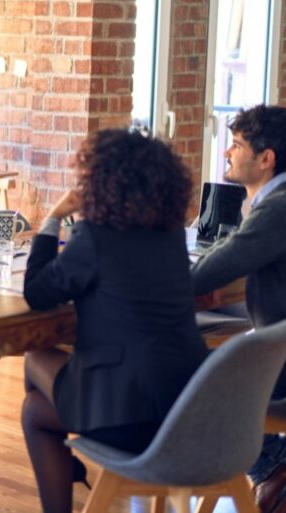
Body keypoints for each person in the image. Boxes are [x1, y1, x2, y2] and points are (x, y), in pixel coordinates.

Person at [21, 129, 209, 513]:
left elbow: (38, 294)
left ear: (102, 182)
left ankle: (62, 479)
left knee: (34, 393)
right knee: (45, 396)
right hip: (188, 406)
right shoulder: (171, 235)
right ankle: (68, 450)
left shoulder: (93, 237)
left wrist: (52, 218)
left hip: (127, 418)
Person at [192, 104, 286, 513]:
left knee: (191, 384)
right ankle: (278, 460)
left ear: (266, 158)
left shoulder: (278, 210)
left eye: (236, 145)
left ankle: (275, 461)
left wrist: (163, 282)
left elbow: (208, 273)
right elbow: (230, 253)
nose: (227, 152)